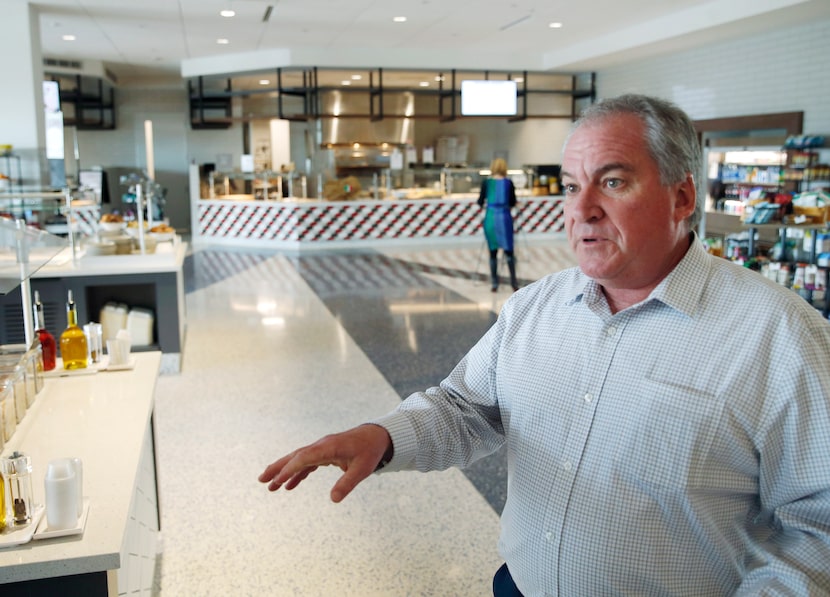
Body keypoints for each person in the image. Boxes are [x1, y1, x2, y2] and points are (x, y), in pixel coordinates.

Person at [259, 94, 830, 596]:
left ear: (682, 199)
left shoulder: (779, 337)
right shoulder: (536, 307)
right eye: (571, 186)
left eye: (613, 181)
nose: (581, 210)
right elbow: (466, 409)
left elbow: (818, 525)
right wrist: (382, 437)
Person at [477, 157, 519, 291]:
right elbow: (512, 202)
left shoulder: (486, 183)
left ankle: (495, 283)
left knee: (492, 251)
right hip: (505, 218)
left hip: (490, 218)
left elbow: (480, 201)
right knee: (509, 252)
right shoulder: (509, 183)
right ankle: (513, 282)